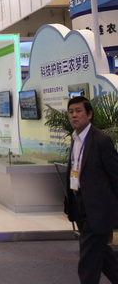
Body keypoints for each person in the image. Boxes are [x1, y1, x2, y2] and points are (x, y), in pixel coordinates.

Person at [64, 96, 118, 284]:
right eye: (71, 112)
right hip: (80, 204)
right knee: (102, 255)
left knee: (88, 258)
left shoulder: (101, 140)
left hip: (99, 209)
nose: (74, 115)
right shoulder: (75, 139)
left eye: (78, 111)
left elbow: (115, 175)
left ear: (89, 114)